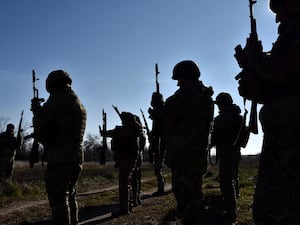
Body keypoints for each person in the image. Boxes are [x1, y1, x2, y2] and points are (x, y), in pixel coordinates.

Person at [235, 0, 300, 224]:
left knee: (276, 204)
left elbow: (280, 72)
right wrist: (251, 68)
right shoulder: (290, 34)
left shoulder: (297, 32)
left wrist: (255, 57)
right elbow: (279, 83)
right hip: (283, 128)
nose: (277, 18)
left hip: (290, 129)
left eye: (281, 10)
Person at [149, 60, 214, 224]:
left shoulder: (189, 96)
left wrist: (157, 107)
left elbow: (170, 118)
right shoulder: (202, 96)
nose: (178, 83)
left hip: (185, 155)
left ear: (186, 78)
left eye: (180, 79)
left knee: (187, 199)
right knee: (191, 197)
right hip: (192, 155)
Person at [31, 70, 87, 225]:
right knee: (71, 195)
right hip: (76, 157)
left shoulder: (57, 100)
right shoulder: (78, 103)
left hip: (60, 157)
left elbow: (41, 127)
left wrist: (36, 111)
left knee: (58, 200)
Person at [210, 92, 243, 224]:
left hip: (226, 150)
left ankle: (230, 211)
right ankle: (233, 204)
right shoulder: (238, 117)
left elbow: (214, 136)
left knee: (226, 181)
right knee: (232, 177)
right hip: (235, 150)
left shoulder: (221, 118)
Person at [103, 112, 142, 215]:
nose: (122, 121)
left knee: (123, 184)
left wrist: (104, 132)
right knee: (126, 183)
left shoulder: (127, 130)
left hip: (126, 159)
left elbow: (113, 132)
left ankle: (124, 209)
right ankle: (127, 207)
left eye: (123, 120)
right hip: (129, 159)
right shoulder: (133, 129)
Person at [131, 115, 146, 206]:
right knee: (137, 178)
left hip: (135, 156)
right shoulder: (141, 132)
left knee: (134, 178)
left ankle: (134, 198)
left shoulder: (135, 132)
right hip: (139, 156)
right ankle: (137, 197)